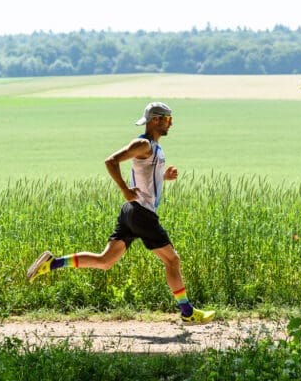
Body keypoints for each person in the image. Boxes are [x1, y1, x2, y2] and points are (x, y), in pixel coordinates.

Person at [25, 101, 215, 324]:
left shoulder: (154, 147)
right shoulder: (143, 144)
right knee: (172, 261)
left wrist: (164, 177)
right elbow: (111, 161)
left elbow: (146, 175)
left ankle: (53, 263)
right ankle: (188, 312)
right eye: (168, 120)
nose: (171, 124)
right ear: (156, 120)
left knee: (105, 261)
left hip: (131, 211)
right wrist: (124, 189)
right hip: (142, 213)